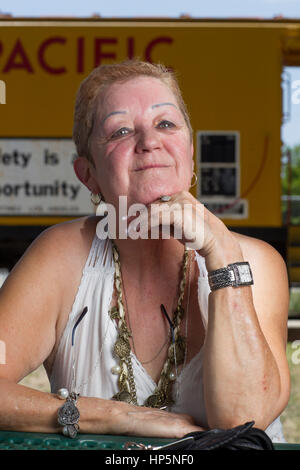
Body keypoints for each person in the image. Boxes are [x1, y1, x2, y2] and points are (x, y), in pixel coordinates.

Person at [0, 60, 290, 442]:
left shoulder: (254, 263)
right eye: (121, 131)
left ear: (189, 152)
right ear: (88, 174)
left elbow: (242, 419)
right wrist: (111, 416)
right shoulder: (61, 257)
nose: (149, 141)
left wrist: (221, 252)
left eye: (166, 124)